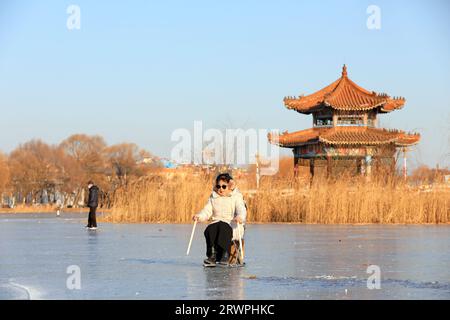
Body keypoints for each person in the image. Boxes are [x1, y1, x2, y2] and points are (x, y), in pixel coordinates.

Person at [193, 173, 247, 267]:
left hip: (231, 223)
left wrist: (240, 217)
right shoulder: (213, 198)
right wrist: (199, 216)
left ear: (229, 187)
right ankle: (212, 256)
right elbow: (207, 211)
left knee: (223, 227)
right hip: (216, 222)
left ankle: (225, 255)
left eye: (223, 186)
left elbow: (241, 209)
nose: (220, 189)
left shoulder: (236, 197)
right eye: (218, 186)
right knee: (210, 229)